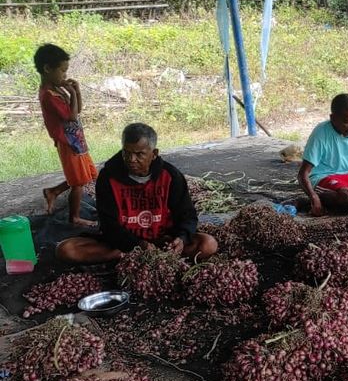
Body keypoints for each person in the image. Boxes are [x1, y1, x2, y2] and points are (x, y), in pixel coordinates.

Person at [56, 123, 217, 264]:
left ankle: (140, 256)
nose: (131, 159)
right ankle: (128, 255)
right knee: (66, 250)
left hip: (163, 240)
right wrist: (138, 245)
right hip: (124, 243)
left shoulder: (170, 176)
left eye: (139, 154)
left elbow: (187, 214)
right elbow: (108, 224)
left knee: (208, 244)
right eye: (127, 153)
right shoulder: (108, 177)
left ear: (154, 154)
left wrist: (181, 238)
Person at [34, 44, 98, 227]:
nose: (64, 75)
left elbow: (77, 110)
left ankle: (53, 191)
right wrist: (72, 92)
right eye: (62, 70)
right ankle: (75, 217)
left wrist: (76, 92)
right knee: (79, 182)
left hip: (76, 139)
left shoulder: (57, 88)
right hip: (67, 142)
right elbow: (71, 116)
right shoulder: (48, 95)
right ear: (47, 69)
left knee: (86, 175)